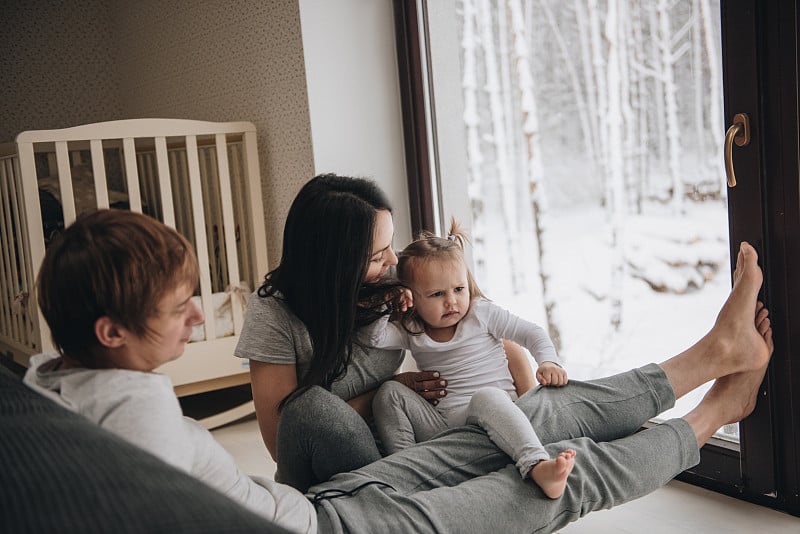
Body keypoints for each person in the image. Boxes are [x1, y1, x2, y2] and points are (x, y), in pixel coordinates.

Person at [24, 209, 774, 533]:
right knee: (550, 488)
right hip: (340, 525)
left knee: (533, 418)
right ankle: (714, 413)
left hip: (332, 501)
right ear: (111, 330)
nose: (197, 318)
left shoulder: (48, 381)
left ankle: (708, 357)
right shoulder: (136, 420)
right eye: (178, 306)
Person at [234, 174, 534, 491]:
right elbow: (284, 438)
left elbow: (493, 337)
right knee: (312, 405)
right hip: (331, 456)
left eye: (390, 245)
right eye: (378, 256)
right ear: (337, 264)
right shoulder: (273, 313)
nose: (393, 259)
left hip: (403, 439)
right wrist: (387, 391)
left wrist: (534, 410)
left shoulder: (397, 279)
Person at [361, 219, 574, 497]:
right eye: (437, 294)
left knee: (487, 396)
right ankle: (408, 469)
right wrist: (388, 302)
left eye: (458, 289)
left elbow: (531, 333)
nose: (452, 301)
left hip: (496, 416)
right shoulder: (411, 329)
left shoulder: (481, 314)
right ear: (411, 299)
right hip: (443, 427)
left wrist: (548, 361)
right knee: (389, 392)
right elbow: (372, 338)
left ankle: (536, 463)